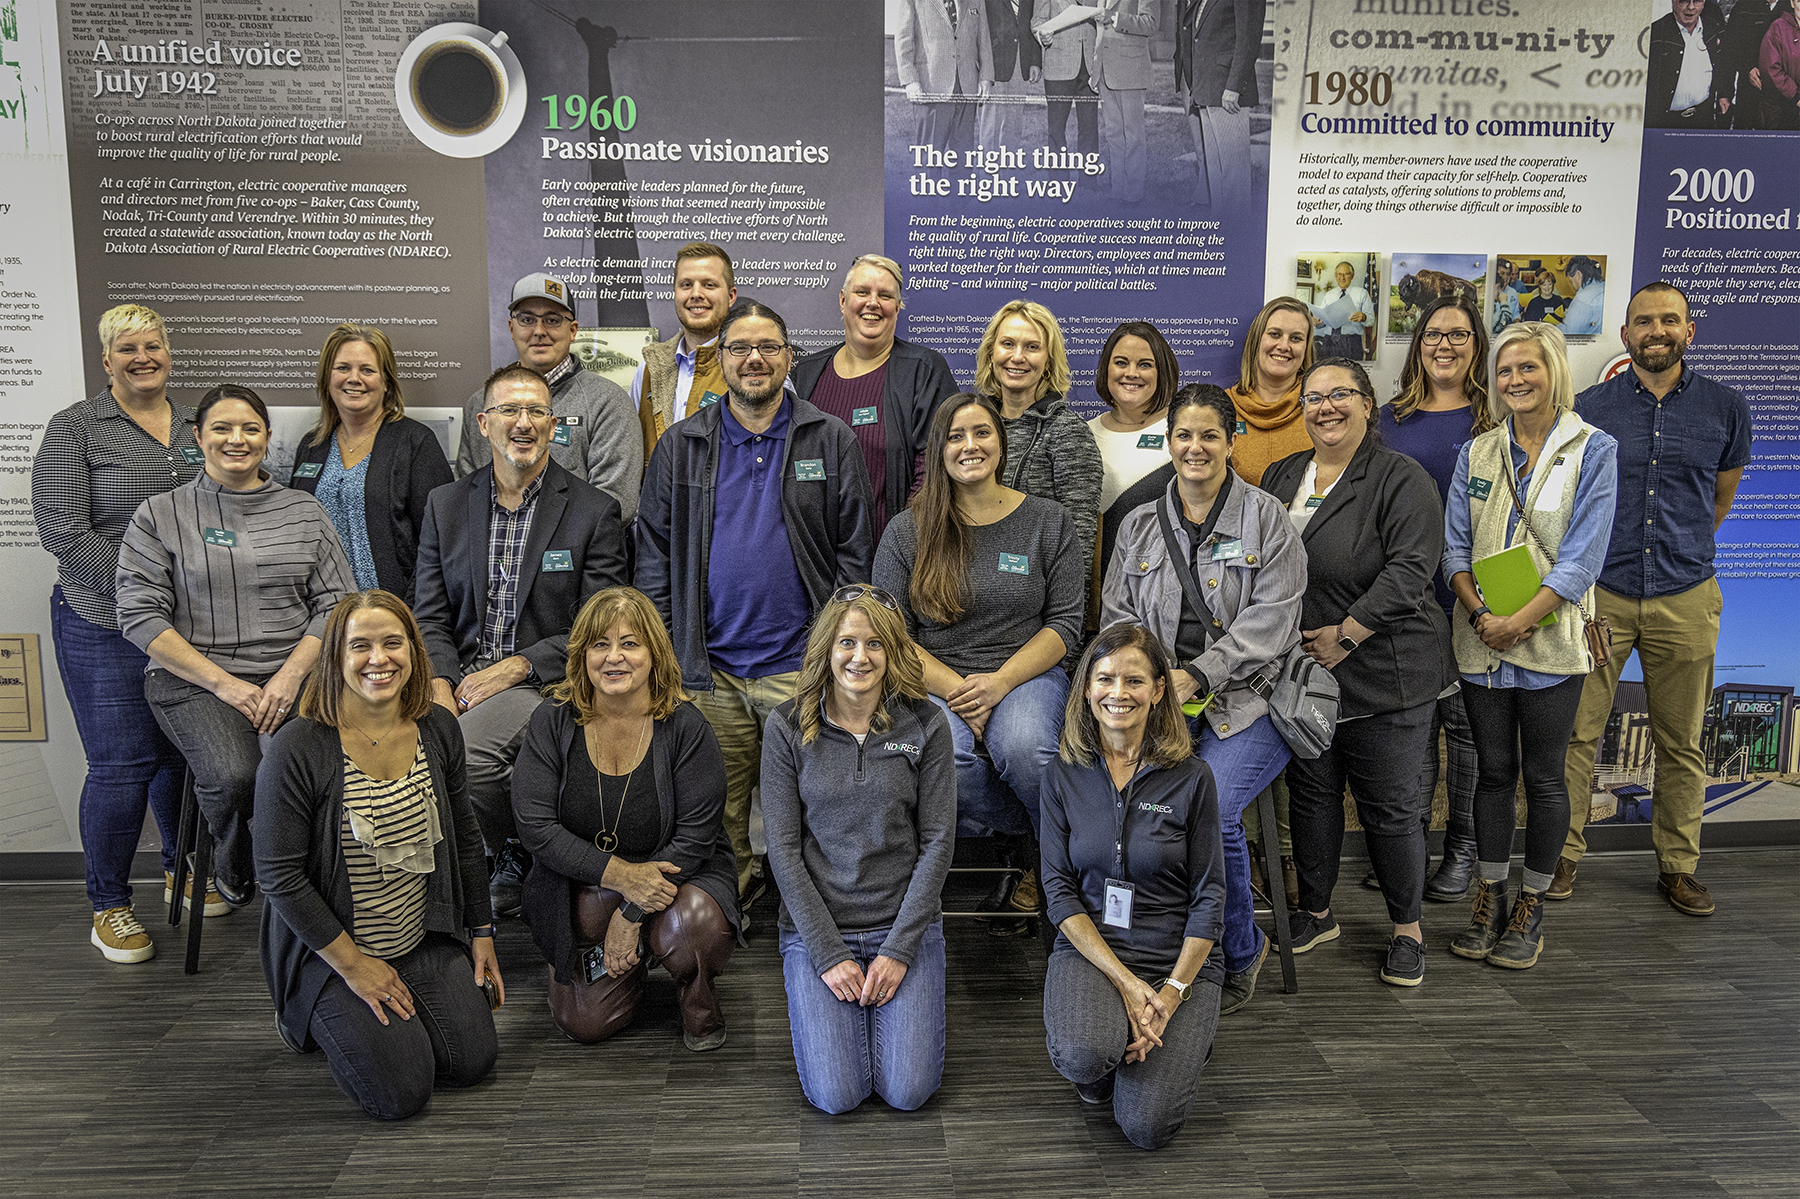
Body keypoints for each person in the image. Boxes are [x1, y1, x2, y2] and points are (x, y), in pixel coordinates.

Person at [636, 300, 875, 906]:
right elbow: (655, 560)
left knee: (818, 807)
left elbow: (855, 556)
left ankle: (816, 918)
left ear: (788, 357)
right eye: (739, 348)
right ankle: (730, 915)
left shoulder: (830, 438)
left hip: (802, 670)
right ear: (721, 360)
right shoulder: (681, 444)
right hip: (709, 672)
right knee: (720, 817)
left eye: (769, 347)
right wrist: (671, 656)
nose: (754, 360)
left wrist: (836, 657)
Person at [256, 590, 501, 1121]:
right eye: (359, 646)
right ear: (335, 658)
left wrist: (482, 932)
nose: (378, 659)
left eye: (393, 643)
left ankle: (393, 1017)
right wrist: (356, 967)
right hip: (334, 954)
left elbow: (463, 836)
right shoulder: (298, 747)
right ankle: (307, 1013)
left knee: (473, 1060)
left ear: (413, 651)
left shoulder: (437, 728)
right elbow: (279, 878)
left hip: (417, 937)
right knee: (402, 1094)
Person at [1101, 384, 1305, 1014]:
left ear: (1231, 439)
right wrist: (1156, 685)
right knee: (1126, 804)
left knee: (1210, 811)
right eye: (1183, 435)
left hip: (1251, 702)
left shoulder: (1269, 519)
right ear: (1169, 442)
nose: (1195, 447)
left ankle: (1239, 950)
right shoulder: (1137, 525)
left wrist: (1197, 676)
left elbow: (1274, 621)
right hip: (1159, 704)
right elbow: (1117, 620)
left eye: (1209, 435)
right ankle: (1150, 945)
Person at [116, 384, 356, 911]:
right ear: (198, 436)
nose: (236, 439)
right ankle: (235, 859)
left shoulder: (304, 511)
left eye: (250, 428)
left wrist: (287, 679)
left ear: (268, 438)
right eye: (221, 427)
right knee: (235, 775)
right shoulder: (160, 515)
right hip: (194, 681)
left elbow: (337, 604)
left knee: (328, 770)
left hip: (295, 676)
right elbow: (138, 614)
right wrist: (229, 686)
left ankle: (318, 887)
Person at [1559, 282, 1751, 915]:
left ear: (1689, 331)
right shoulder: (1590, 408)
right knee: (1578, 735)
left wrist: (1678, 549)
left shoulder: (1726, 408)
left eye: (1670, 320)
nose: (1657, 331)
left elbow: (1718, 500)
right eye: (1644, 322)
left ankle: (1677, 866)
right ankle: (1561, 856)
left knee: (1681, 740)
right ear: (1626, 336)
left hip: (1686, 595)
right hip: (1602, 595)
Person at [1260, 359, 1450, 988]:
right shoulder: (1285, 473)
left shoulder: (1401, 478)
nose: (1326, 407)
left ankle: (1406, 930)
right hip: (1305, 672)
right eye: (1313, 398)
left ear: (1369, 405)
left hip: (1385, 671)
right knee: (1313, 797)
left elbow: (1412, 569)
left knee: (1390, 808)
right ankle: (1315, 913)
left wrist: (1347, 634)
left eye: (1341, 394)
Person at [412, 366, 629, 917]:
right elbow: (430, 612)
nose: (523, 423)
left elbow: (597, 625)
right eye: (509, 410)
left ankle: (516, 851)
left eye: (536, 412)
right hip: (455, 675)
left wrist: (512, 670)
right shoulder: (445, 504)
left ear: (554, 426)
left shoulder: (591, 510)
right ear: (484, 424)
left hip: (543, 682)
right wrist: (439, 682)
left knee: (469, 756)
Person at [1443, 322, 1618, 969]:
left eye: (1529, 368)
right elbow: (1454, 547)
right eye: (1506, 370)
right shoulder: (1479, 453)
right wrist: (1484, 612)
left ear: (1554, 372)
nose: (1516, 380)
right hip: (1481, 640)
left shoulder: (1592, 450)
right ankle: (1490, 894)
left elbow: (1581, 561)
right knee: (1492, 774)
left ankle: (1531, 905)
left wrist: (1520, 620)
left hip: (1549, 646)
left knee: (1544, 779)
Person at [873, 393, 1083, 929]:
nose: (971, 446)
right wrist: (958, 690)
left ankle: (1055, 865)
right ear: (938, 451)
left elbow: (1065, 625)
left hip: (1026, 673)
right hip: (933, 677)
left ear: (1001, 441)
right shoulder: (908, 529)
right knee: (949, 762)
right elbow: (889, 632)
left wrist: (997, 685)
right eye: (956, 436)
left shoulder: (1047, 520)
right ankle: (1037, 835)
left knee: (1026, 750)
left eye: (982, 432)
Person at [32, 304, 202, 962]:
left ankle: (178, 870)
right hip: (102, 620)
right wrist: (143, 594)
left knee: (176, 754)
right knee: (122, 763)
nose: (142, 357)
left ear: (167, 351)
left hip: (185, 627)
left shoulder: (194, 424)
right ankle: (109, 903)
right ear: (107, 361)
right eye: (127, 348)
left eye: (153, 345)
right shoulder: (75, 428)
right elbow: (66, 535)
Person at [511, 587, 739, 1050]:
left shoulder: (686, 727)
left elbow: (696, 837)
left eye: (630, 643)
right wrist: (623, 878)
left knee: (692, 924)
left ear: (654, 654)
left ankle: (697, 999)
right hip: (584, 887)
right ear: (582, 655)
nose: (614, 657)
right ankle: (621, 960)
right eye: (600, 644)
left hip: (678, 880)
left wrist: (632, 910)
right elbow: (534, 826)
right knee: (585, 1025)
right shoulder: (551, 721)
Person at [761, 586, 956, 1113]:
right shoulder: (785, 726)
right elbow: (782, 850)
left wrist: (898, 950)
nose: (859, 657)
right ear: (827, 647)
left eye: (874, 644)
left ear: (892, 652)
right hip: (818, 932)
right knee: (837, 1095)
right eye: (847, 642)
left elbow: (938, 842)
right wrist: (827, 954)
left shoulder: (927, 722)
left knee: (909, 1092)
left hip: (904, 926)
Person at [1040, 623, 1224, 1151]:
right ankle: (1111, 1044)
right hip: (1096, 952)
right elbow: (1057, 890)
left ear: (1159, 690)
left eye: (1134, 680)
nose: (1118, 693)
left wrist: (1169, 993)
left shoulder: (1193, 777)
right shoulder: (1063, 775)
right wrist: (1124, 984)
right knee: (1083, 1056)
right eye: (1105, 679)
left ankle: (1174, 1038)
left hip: (1178, 962)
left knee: (1147, 1127)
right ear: (1087, 689)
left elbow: (1211, 897)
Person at [1379, 294, 1495, 902]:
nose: (1444, 345)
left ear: (1476, 345)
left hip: (1476, 600)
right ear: (1417, 344)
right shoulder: (1387, 418)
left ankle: (1462, 851)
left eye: (1458, 335)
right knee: (1414, 732)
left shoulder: (1494, 417)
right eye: (1432, 335)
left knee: (1467, 733)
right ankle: (1408, 847)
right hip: (1405, 602)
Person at [790, 255, 959, 536]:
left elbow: (935, 467)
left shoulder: (923, 369)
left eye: (885, 295)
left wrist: (900, 545)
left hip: (896, 555)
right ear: (843, 301)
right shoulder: (805, 374)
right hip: (815, 557)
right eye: (862, 292)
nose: (873, 302)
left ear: (897, 306)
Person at [456, 272, 643, 522]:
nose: (539, 331)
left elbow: (615, 504)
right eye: (527, 319)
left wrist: (535, 542)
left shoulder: (608, 402)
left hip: (576, 559)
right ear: (512, 328)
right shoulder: (481, 405)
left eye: (553, 320)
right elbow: (466, 495)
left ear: (573, 330)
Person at [288, 323, 453, 605]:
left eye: (367, 370)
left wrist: (416, 613)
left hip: (396, 613)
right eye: (342, 368)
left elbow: (441, 541)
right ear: (327, 378)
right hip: (324, 615)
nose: (354, 378)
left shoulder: (415, 442)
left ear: (386, 381)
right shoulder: (312, 446)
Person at [974, 300, 1102, 569]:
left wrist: (1066, 610)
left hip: (1035, 597)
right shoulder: (971, 426)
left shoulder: (1067, 431)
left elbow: (1078, 543)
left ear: (1047, 361)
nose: (1017, 356)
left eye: (1032, 347)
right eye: (1007, 344)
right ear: (991, 353)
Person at [1091, 322, 1180, 600]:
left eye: (1144, 364)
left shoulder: (1183, 433)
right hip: (1091, 598)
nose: (1131, 373)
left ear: (1162, 372)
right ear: (1107, 369)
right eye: (1121, 362)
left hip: (1161, 596)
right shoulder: (1082, 433)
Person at [633, 242, 737, 455]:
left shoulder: (753, 366)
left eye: (709, 285)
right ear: (675, 293)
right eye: (686, 285)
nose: (696, 294)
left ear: (731, 296)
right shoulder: (648, 371)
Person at [1174, 0, 1258, 210]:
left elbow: (1249, 38)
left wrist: (1235, 86)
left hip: (1228, 92)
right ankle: (1221, 227)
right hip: (1206, 90)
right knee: (1216, 171)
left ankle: (1236, 234)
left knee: (1233, 173)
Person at [1227, 297, 1315, 487]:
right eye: (1275, 334)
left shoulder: (1320, 409)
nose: (1284, 346)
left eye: (1296, 338)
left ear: (1306, 348)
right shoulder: (1221, 406)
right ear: (1256, 339)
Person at [895, 0, 993, 153]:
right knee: (930, 160)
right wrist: (910, 80)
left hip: (967, 88)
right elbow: (903, 38)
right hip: (931, 88)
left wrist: (986, 76)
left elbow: (984, 37)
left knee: (963, 160)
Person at [1094, 0, 1159, 204]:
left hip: (1131, 68)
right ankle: (1118, 189)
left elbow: (1150, 23)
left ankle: (1134, 192)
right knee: (1113, 133)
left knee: (1133, 133)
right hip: (1104, 69)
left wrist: (1114, 18)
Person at [1648, 0, 1729, 128]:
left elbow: (1722, 65)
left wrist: (1723, 94)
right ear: (1673, 2)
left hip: (1703, 118)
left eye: (1696, 1)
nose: (1691, 7)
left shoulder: (1713, 30)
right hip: (1665, 122)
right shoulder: (1655, 33)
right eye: (1684, 1)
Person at [1033, 0, 1098, 157]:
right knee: (1056, 131)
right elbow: (1037, 21)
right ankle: (1058, 181)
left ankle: (1088, 181)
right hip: (1058, 66)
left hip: (1089, 67)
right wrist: (1043, 35)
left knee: (1089, 129)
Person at [979, 0, 1041, 152]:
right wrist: (983, 65)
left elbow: (1034, 21)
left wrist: (1035, 61)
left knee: (1014, 124)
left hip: (1021, 62)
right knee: (991, 125)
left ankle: (1009, 172)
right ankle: (988, 173)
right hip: (994, 62)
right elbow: (979, 25)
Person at [1719, 0, 1777, 128]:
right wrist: (1725, 93)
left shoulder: (1792, 6)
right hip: (1748, 96)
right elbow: (1729, 53)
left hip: (1782, 99)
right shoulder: (1743, 7)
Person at [1310, 260, 1374, 361]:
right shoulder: (1329, 295)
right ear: (1335, 275)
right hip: (1329, 342)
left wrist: (1363, 317)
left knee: (1351, 372)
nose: (1342, 278)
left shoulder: (1362, 293)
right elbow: (1323, 320)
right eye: (1339, 274)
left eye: (1346, 274)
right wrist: (1317, 322)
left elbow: (1371, 320)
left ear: (1352, 276)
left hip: (1351, 342)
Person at [1761, 3, 1800, 130]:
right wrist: (1796, 96)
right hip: (1783, 110)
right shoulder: (1778, 28)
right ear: (1792, 3)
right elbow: (1770, 68)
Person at [1560, 257, 1607, 336]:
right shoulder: (1605, 287)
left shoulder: (1582, 299)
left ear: (1578, 274)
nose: (1573, 286)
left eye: (1571, 281)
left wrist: (1559, 325)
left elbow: (1569, 333)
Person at [1491, 258, 1528, 333]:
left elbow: (1516, 314)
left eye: (1508, 274)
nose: (1505, 277)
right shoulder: (1491, 292)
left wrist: (1517, 322)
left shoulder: (1513, 292)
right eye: (1502, 273)